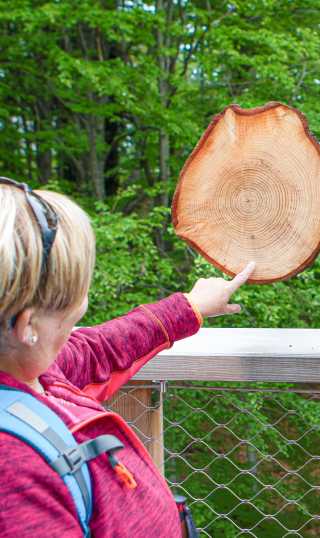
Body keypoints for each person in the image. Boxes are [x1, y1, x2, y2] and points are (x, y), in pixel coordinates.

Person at [0, 177, 255, 536]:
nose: (82, 306)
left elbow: (101, 348)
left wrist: (190, 307)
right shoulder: (12, 473)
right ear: (28, 326)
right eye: (74, 300)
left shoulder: (33, 370)